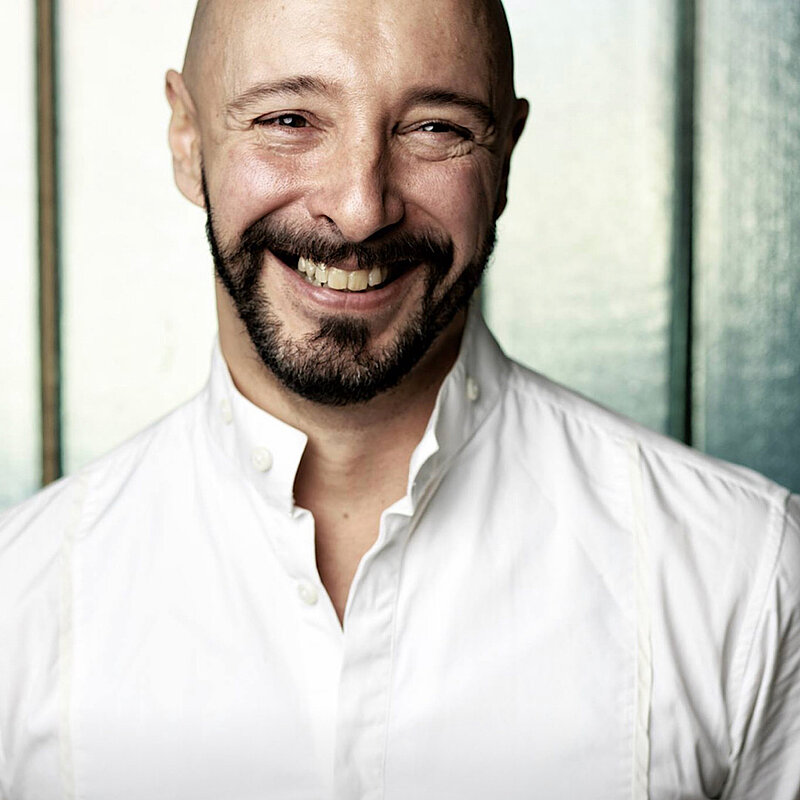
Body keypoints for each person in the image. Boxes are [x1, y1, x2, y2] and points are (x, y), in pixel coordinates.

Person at [1, 0, 798, 797]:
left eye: (436, 128)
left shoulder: (746, 578)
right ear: (187, 137)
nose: (359, 209)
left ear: (505, 158)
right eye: (288, 120)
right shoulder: (20, 601)